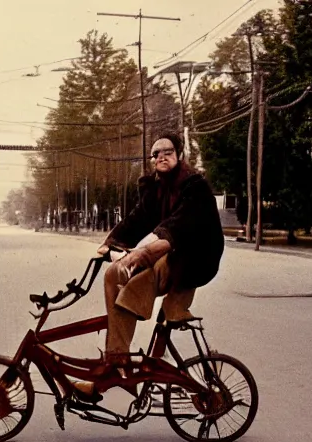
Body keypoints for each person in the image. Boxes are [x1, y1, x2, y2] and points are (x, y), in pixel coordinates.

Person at [73, 132, 225, 403]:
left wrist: (141, 254)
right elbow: (137, 219)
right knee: (113, 275)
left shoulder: (194, 186)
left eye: (167, 151)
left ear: (179, 155)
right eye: (155, 154)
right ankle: (117, 360)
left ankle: (115, 370)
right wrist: (110, 243)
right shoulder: (155, 188)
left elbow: (175, 228)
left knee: (134, 287)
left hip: (195, 258)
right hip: (172, 253)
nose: (161, 157)